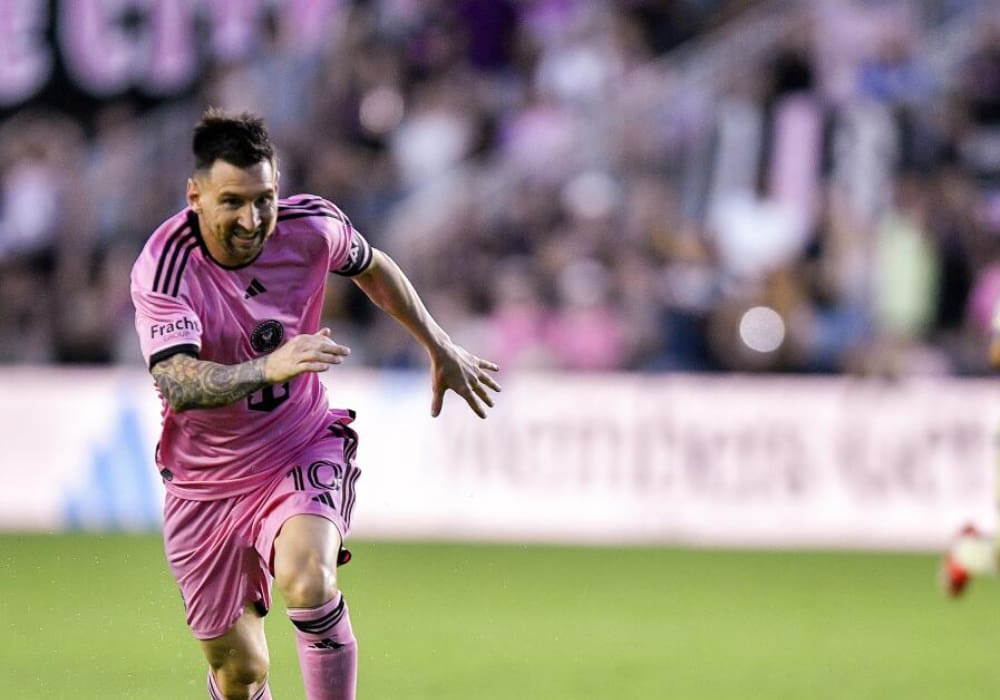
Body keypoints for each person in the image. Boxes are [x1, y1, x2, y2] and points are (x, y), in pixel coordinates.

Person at [129, 108, 501, 699]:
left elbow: (372, 266)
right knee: (240, 672)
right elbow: (176, 380)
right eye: (233, 202)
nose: (253, 219)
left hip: (297, 445)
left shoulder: (313, 226)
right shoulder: (165, 266)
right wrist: (267, 367)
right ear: (195, 195)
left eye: (265, 199)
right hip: (204, 483)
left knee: (308, 581)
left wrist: (439, 343)